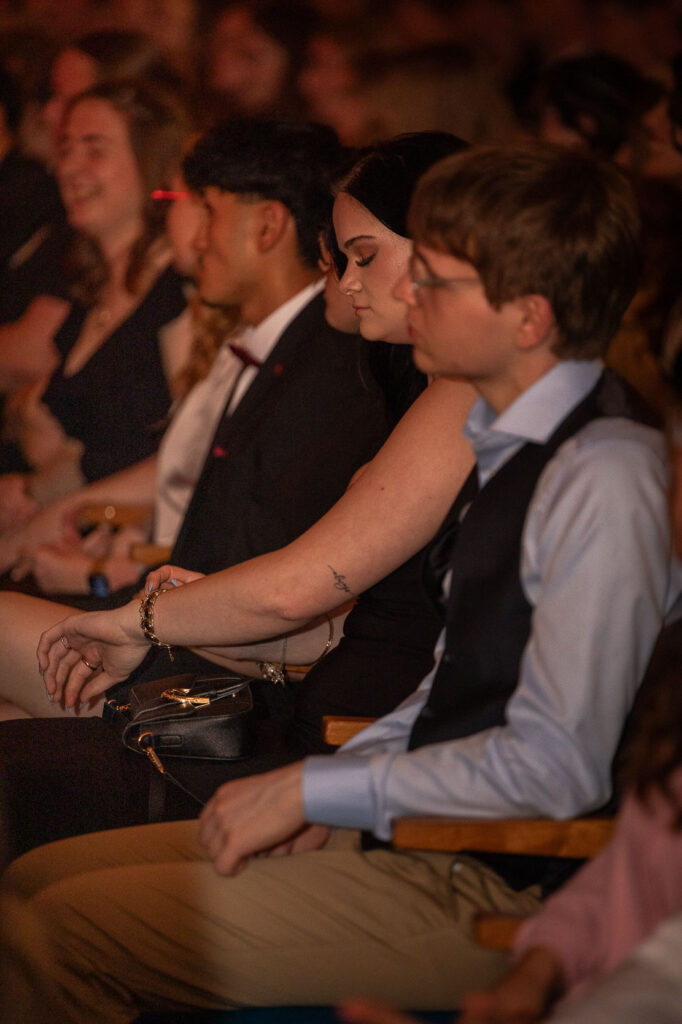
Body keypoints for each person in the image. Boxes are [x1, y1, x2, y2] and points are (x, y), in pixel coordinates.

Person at [1, 140, 677, 1021]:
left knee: (56, 929)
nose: (407, 295)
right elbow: (444, 689)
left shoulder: (605, 474)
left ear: (528, 317)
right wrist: (337, 782)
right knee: (33, 883)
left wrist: (318, 787)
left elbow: (557, 768)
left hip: (495, 886)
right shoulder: (518, 447)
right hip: (420, 833)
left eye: (436, 280)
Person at [0, 133, 474, 855]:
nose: (341, 280)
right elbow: (336, 625)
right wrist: (161, 613)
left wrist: (137, 613)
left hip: (312, 743)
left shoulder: (452, 399)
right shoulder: (424, 393)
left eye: (361, 256)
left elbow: (294, 592)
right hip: (291, 712)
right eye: (340, 258)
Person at [0, 80, 193, 546]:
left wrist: (40, 499)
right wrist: (33, 483)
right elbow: (89, 453)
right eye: (66, 149)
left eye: (95, 150)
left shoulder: (179, 291)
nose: (70, 168)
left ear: (151, 162)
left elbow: (190, 452)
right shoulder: (88, 295)